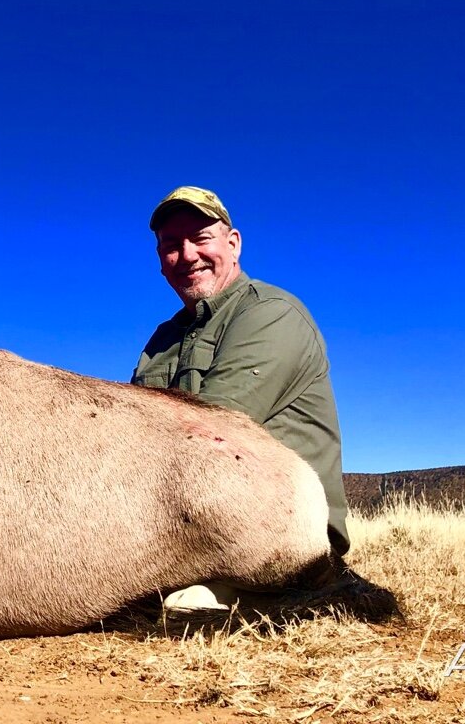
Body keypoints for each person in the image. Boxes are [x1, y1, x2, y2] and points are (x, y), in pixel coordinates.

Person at [132, 186, 350, 611]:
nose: (187, 255)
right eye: (171, 246)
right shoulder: (163, 339)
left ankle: (248, 592)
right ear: (160, 261)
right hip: (183, 518)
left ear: (233, 244)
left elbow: (207, 436)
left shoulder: (271, 314)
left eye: (200, 238)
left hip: (278, 533)